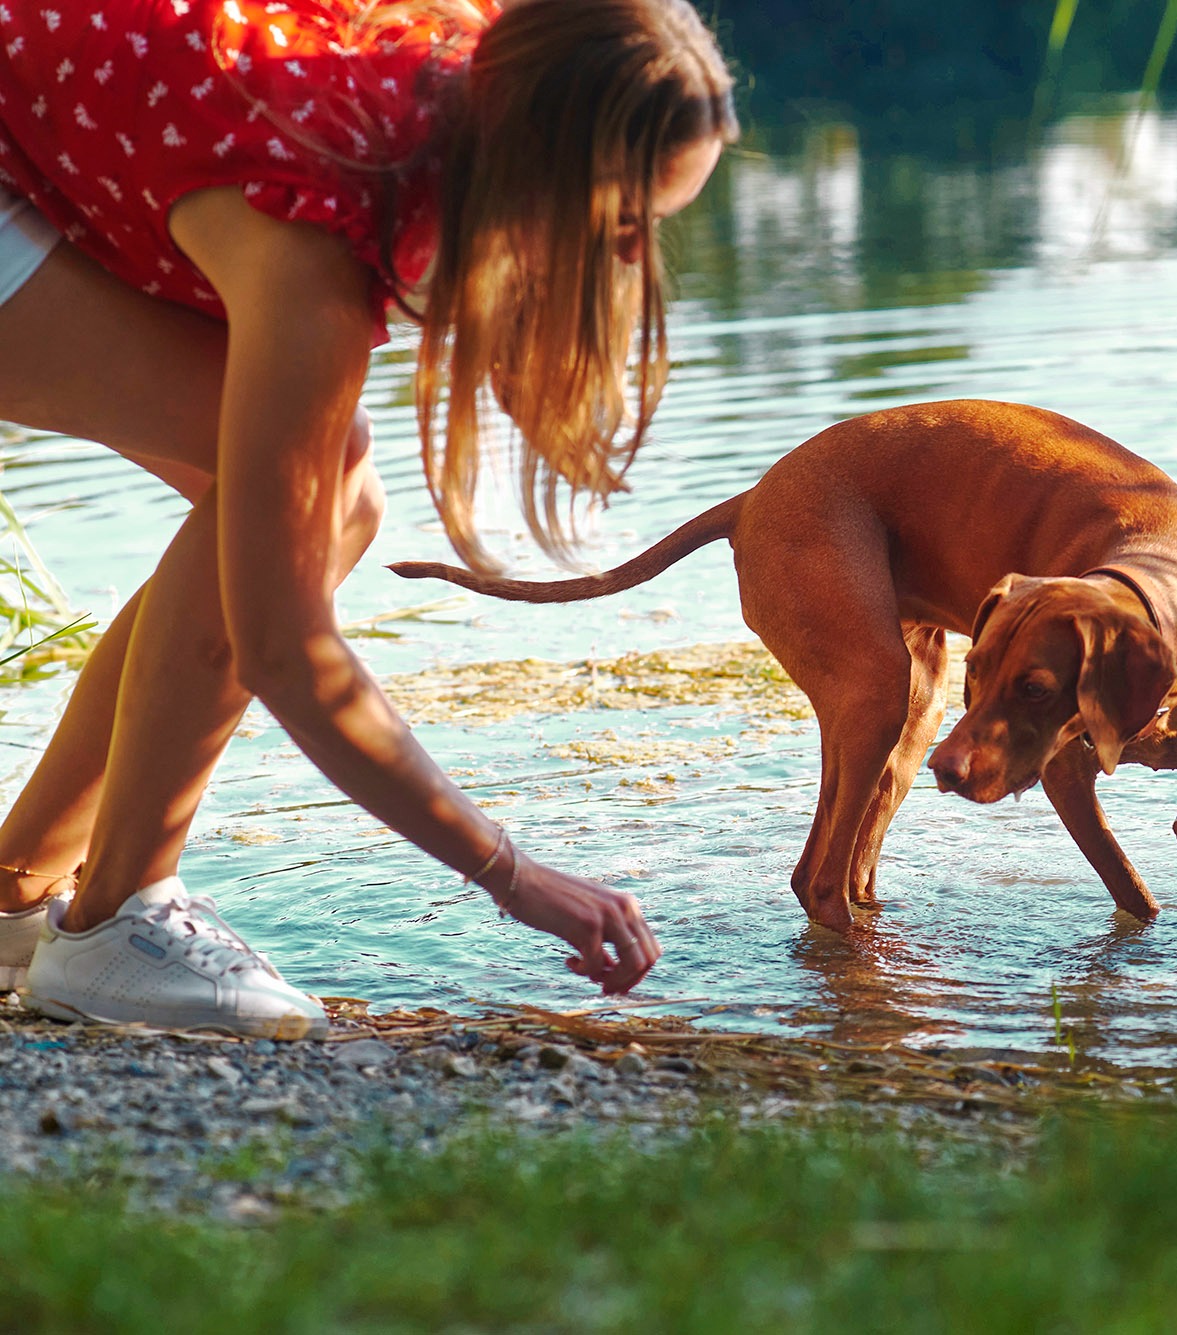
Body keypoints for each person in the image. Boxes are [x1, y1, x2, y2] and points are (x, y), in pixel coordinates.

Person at [0, 0, 737, 1037]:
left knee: (331, 504)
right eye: (622, 220)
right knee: (331, 493)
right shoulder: (320, 223)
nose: (626, 260)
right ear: (537, 166)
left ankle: (16, 899)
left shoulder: (482, 79)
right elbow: (287, 653)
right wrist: (514, 874)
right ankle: (114, 924)